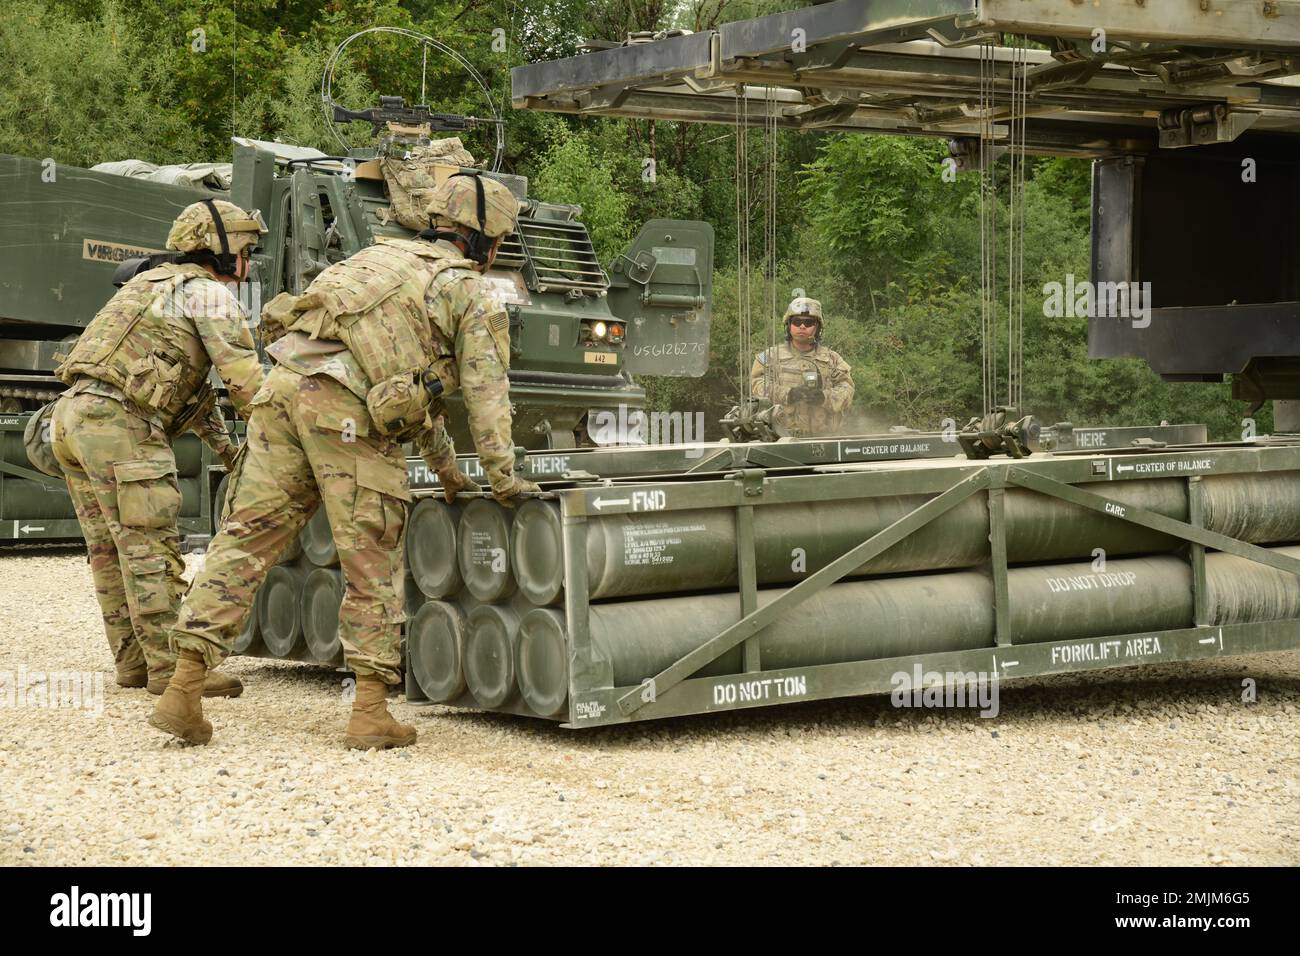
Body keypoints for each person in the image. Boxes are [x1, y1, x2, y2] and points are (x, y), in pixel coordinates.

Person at [150, 172, 539, 749]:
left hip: (282, 390)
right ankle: (370, 712)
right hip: (344, 413)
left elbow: (408, 391)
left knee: (247, 537)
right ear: (483, 239)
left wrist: (446, 469)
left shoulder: (373, 261)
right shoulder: (470, 290)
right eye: (501, 241)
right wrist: (503, 479)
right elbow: (486, 392)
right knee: (371, 552)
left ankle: (182, 689)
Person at [50, 199, 267, 697]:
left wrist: (228, 451)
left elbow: (192, 396)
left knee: (109, 550)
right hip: (121, 424)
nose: (248, 263)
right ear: (222, 248)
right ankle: (171, 672)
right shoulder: (207, 294)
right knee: (150, 547)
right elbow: (245, 383)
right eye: (246, 250)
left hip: (70, 418)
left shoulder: (147, 284)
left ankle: (134, 664)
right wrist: (281, 439)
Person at [750, 296, 855, 437]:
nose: (802, 326)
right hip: (780, 438)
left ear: (817, 327)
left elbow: (847, 391)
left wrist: (824, 397)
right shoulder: (769, 357)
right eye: (796, 321)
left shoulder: (832, 359)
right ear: (788, 325)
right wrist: (789, 394)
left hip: (825, 437)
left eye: (808, 322)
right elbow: (757, 387)